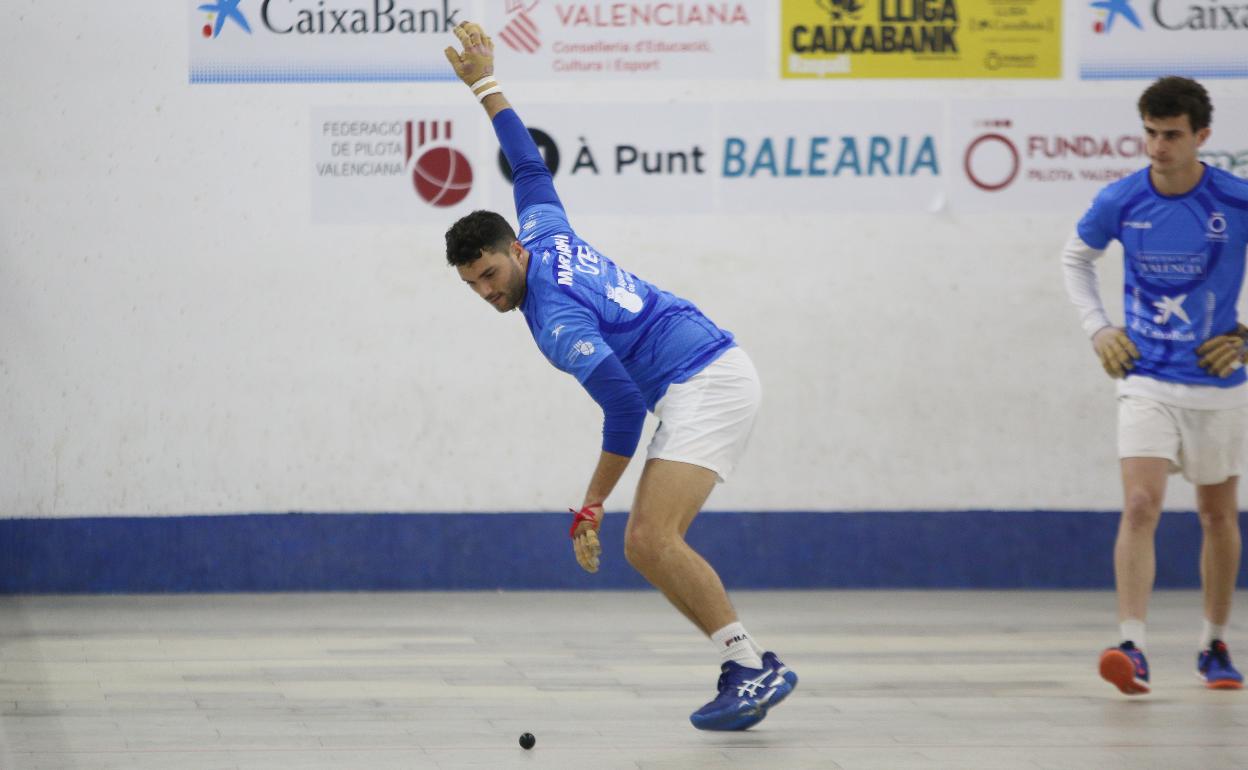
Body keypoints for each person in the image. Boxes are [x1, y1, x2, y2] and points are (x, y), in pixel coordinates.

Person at [440, 22, 797, 730]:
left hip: (706, 383)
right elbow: (530, 168)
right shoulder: (545, 233)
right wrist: (484, 83)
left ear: (511, 251)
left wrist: (591, 503)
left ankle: (755, 668)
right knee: (652, 540)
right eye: (473, 286)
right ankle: (748, 663)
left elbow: (625, 412)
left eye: (489, 275)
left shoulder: (555, 320)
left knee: (647, 538)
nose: (488, 294)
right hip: (706, 370)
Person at [1062, 76, 1248, 695]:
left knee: (1216, 514)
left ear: (1202, 136)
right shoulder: (1121, 200)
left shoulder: (1236, 200)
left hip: (1219, 383)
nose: (1157, 147)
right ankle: (1132, 646)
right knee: (1141, 505)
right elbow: (1075, 260)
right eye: (1149, 132)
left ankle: (1214, 644)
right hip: (1145, 377)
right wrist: (1097, 329)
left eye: (1171, 135)